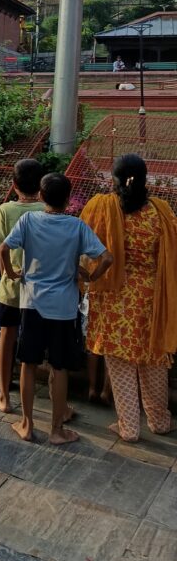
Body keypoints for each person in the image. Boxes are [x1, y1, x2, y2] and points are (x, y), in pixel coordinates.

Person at [0, 173, 113, 445]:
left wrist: (11, 273)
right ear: (67, 199)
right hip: (64, 307)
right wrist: (91, 277)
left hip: (32, 303)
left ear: (41, 196)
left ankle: (27, 424)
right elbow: (106, 257)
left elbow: (4, 247)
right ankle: (56, 430)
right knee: (60, 366)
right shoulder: (77, 226)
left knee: (28, 363)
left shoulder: (29, 220)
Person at [80, 154, 177, 443]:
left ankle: (129, 427)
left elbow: (85, 248)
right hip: (152, 298)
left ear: (115, 179)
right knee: (153, 359)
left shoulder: (102, 207)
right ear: (145, 179)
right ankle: (159, 420)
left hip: (114, 297)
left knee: (120, 363)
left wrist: (84, 281)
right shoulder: (161, 212)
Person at [0, 159, 45, 414]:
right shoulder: (48, 210)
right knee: (34, 340)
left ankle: (4, 393)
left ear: (14, 185)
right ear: (41, 186)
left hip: (10, 287)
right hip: (40, 289)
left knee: (7, 338)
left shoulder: (6, 211)